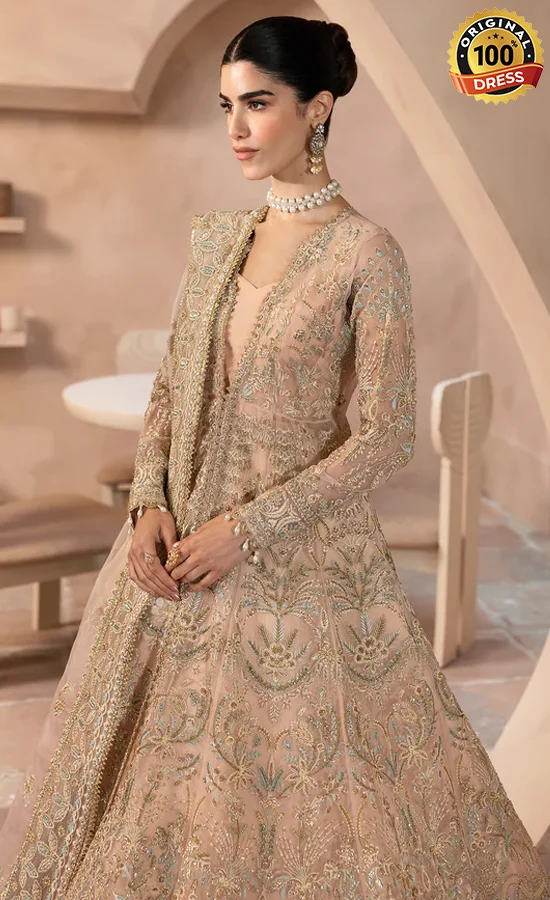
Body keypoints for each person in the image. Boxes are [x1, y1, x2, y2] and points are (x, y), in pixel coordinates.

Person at [0, 14, 548, 900]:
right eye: (227, 107)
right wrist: (148, 503)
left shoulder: (368, 255)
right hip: (176, 558)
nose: (238, 128)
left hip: (300, 565)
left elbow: (386, 434)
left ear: (317, 108)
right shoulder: (217, 238)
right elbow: (172, 388)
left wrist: (245, 532)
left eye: (258, 104)